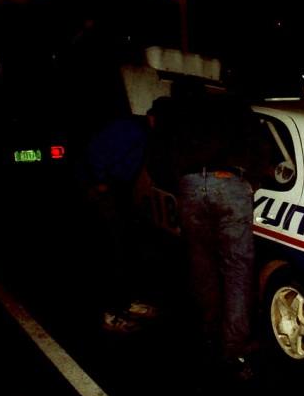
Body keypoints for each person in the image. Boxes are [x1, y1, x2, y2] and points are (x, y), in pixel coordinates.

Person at [160, 85, 269, 380]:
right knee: (237, 271)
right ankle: (233, 350)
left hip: (191, 186)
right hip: (229, 181)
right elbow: (262, 149)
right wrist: (251, 182)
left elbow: (160, 152)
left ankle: (209, 337)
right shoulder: (238, 105)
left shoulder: (180, 108)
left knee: (202, 267)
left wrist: (181, 182)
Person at [81, 112, 159, 333]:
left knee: (124, 247)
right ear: (152, 117)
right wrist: (100, 181)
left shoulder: (143, 132)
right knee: (111, 248)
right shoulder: (131, 128)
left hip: (116, 188)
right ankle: (111, 313)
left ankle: (124, 303)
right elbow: (96, 152)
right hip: (102, 189)